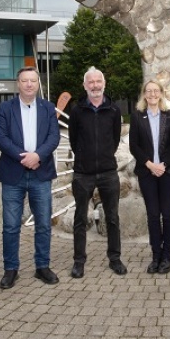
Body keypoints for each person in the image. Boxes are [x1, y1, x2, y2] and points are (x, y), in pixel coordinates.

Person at [0, 66, 61, 289]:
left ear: (38, 83)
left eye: (33, 80)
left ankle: (42, 266)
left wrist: (38, 156)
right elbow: (1, 138)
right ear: (18, 83)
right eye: (25, 80)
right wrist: (24, 157)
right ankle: (10, 269)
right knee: (11, 225)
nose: (29, 84)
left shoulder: (48, 108)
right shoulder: (5, 108)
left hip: (41, 173)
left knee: (43, 223)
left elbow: (54, 137)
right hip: (13, 173)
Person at [68, 66, 125, 278]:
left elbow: (115, 138)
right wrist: (84, 156)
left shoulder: (113, 109)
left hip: (108, 172)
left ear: (104, 84)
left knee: (112, 217)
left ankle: (115, 258)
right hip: (83, 173)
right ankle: (79, 261)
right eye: (90, 82)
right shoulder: (76, 110)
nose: (95, 85)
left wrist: (104, 156)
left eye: (98, 81)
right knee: (80, 218)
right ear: (85, 86)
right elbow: (74, 140)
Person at [129, 79, 170, 273]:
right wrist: (150, 164)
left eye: (155, 91)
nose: (152, 94)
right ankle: (156, 256)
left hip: (167, 172)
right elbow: (133, 145)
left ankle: (167, 256)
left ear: (161, 93)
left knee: (167, 214)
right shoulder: (137, 116)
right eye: (148, 91)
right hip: (147, 172)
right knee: (153, 215)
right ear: (144, 94)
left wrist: (163, 164)